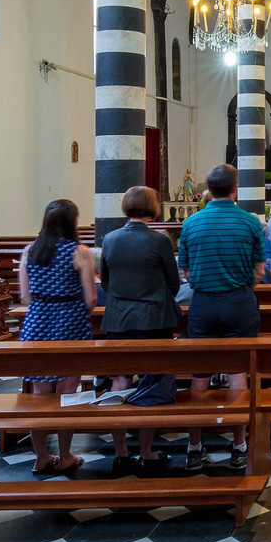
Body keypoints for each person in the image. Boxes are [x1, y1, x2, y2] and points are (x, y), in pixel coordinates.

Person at [177, 162, 268, 467]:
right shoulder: (250, 222)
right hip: (239, 302)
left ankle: (194, 446)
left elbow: (186, 272)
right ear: (235, 189)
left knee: (200, 374)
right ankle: (239, 446)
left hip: (203, 303)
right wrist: (239, 283)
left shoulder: (191, 223)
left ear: (208, 189)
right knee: (237, 372)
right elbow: (259, 271)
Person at [98, 185, 182, 473]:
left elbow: (105, 281)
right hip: (153, 319)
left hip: (118, 319)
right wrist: (154, 298)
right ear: (154, 209)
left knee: (119, 382)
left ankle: (121, 452)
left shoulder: (110, 239)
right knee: (151, 382)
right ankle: (146, 452)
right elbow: (173, 282)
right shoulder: (159, 240)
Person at [17, 199, 99, 477]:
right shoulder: (79, 251)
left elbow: (25, 296)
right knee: (67, 395)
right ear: (72, 222)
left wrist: (44, 308)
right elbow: (91, 297)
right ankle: (65, 456)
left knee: (39, 397)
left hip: (37, 322)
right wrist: (74, 313)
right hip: (70, 321)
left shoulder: (30, 250)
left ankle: (41, 457)